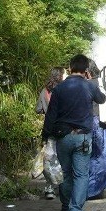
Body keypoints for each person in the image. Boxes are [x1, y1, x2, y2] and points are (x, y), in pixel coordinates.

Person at [42, 54, 106, 211]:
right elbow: (102, 99)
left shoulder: (59, 89)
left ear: (70, 68)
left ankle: (65, 206)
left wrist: (46, 135)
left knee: (66, 172)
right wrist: (92, 80)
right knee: (81, 174)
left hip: (63, 137)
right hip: (83, 138)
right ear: (86, 70)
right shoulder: (89, 86)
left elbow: (51, 115)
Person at [86, 59, 106, 199]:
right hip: (101, 124)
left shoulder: (81, 85)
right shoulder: (100, 83)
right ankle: (102, 187)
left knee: (89, 157)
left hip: (84, 124)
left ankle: (88, 190)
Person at [35, 67, 66, 200]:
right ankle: (63, 187)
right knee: (64, 158)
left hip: (50, 129)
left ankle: (49, 189)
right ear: (60, 76)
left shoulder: (44, 91)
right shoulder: (65, 90)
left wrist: (46, 110)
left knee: (50, 159)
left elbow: (38, 109)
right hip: (64, 129)